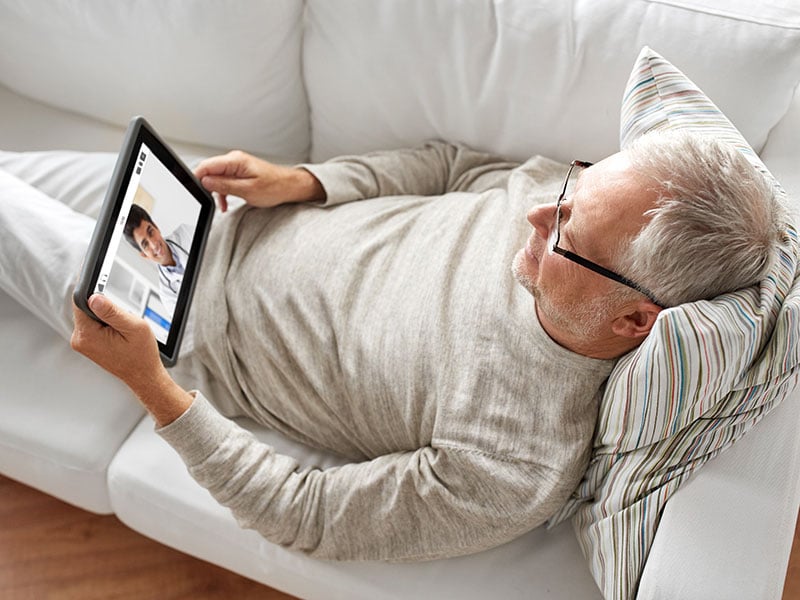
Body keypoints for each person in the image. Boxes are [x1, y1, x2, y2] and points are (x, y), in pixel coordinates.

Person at [38, 131, 785, 560]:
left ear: (635, 321)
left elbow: (306, 514)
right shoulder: (571, 199)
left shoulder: (513, 464)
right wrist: (302, 181)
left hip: (183, 322)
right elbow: (453, 166)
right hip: (212, 215)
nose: (533, 212)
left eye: (566, 231)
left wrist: (151, 386)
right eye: (569, 191)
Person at [122, 202, 192, 314]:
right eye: (145, 244)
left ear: (156, 227)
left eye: (150, 232)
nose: (154, 244)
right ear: (144, 254)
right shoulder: (168, 295)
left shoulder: (187, 233)